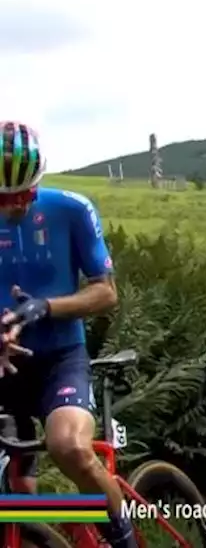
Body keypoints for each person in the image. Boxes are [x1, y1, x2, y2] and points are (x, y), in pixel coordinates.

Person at [0, 121, 136, 548]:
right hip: (6, 365)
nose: (14, 208)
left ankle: (124, 540)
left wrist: (45, 307)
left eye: (24, 196)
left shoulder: (71, 208)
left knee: (69, 447)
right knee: (20, 503)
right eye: (4, 198)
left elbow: (105, 291)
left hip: (60, 358)